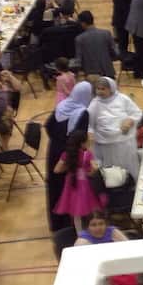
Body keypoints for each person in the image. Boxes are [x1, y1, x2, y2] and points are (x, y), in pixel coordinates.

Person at [45, 81, 92, 233]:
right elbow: (80, 137)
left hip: (53, 150)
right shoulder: (83, 112)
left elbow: (48, 126)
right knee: (70, 186)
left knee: (55, 185)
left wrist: (57, 140)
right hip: (70, 152)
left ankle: (58, 224)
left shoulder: (62, 105)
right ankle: (72, 223)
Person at [88, 77, 142, 179]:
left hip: (125, 142)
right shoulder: (94, 104)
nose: (99, 92)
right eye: (98, 89)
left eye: (103, 89)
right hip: (107, 145)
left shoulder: (122, 99)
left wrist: (130, 121)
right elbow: (90, 125)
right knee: (113, 172)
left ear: (111, 89)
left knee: (129, 165)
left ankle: (132, 184)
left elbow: (136, 113)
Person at [53, 128, 105, 230]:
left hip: (71, 184)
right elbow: (91, 172)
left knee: (76, 212)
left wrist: (70, 167)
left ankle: (79, 233)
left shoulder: (66, 154)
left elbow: (57, 170)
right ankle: (92, 229)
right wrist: (93, 169)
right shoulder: (87, 154)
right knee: (89, 209)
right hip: (85, 185)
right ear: (82, 143)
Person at [75, 10, 118, 79]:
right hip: (108, 73)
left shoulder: (80, 39)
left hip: (92, 76)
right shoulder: (106, 33)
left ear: (83, 23)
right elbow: (116, 53)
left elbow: (78, 61)